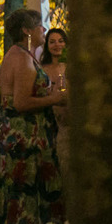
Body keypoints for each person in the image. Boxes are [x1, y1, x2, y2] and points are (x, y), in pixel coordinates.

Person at [0, 10, 66, 224]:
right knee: (23, 200)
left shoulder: (24, 54)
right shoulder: (21, 59)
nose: (44, 30)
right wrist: (54, 98)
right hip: (25, 139)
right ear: (26, 30)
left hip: (33, 136)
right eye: (39, 26)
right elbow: (21, 102)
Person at [40, 28, 69, 182]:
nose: (57, 45)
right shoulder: (42, 70)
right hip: (49, 122)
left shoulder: (73, 67)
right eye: (52, 42)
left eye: (60, 41)